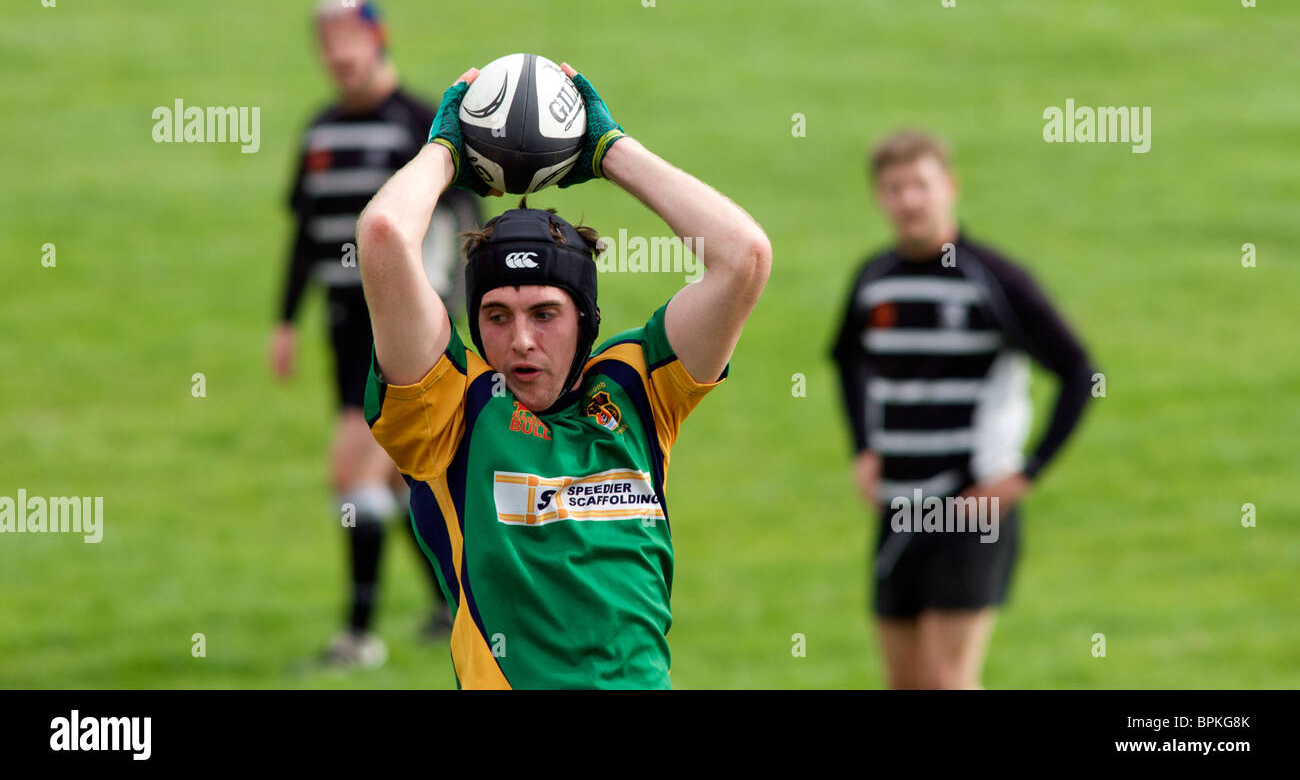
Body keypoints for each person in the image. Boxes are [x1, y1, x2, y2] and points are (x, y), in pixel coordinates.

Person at [356, 63, 771, 688]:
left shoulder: (636, 390)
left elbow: (743, 257)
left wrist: (610, 150)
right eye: (496, 316)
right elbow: (385, 234)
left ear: (586, 321)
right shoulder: (449, 412)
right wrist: (443, 150)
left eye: (545, 314)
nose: (521, 340)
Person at [830, 129, 1095, 689]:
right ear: (880, 197)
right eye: (894, 188)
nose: (908, 200)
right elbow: (845, 360)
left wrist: (1027, 473)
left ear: (949, 187)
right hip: (898, 509)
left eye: (920, 185)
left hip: (969, 508)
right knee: (904, 683)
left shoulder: (991, 279)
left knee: (948, 681)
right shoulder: (874, 281)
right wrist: (863, 449)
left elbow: (1079, 372)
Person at [270, 0, 481, 669]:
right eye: (325, 41)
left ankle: (359, 634)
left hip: (398, 325)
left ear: (378, 38)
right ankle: (455, 603)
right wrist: (284, 319)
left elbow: (463, 222)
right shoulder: (321, 130)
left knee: (352, 471)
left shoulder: (419, 123)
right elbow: (306, 232)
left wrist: (448, 309)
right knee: (393, 482)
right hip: (340, 326)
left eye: (347, 38)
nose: (336, 53)